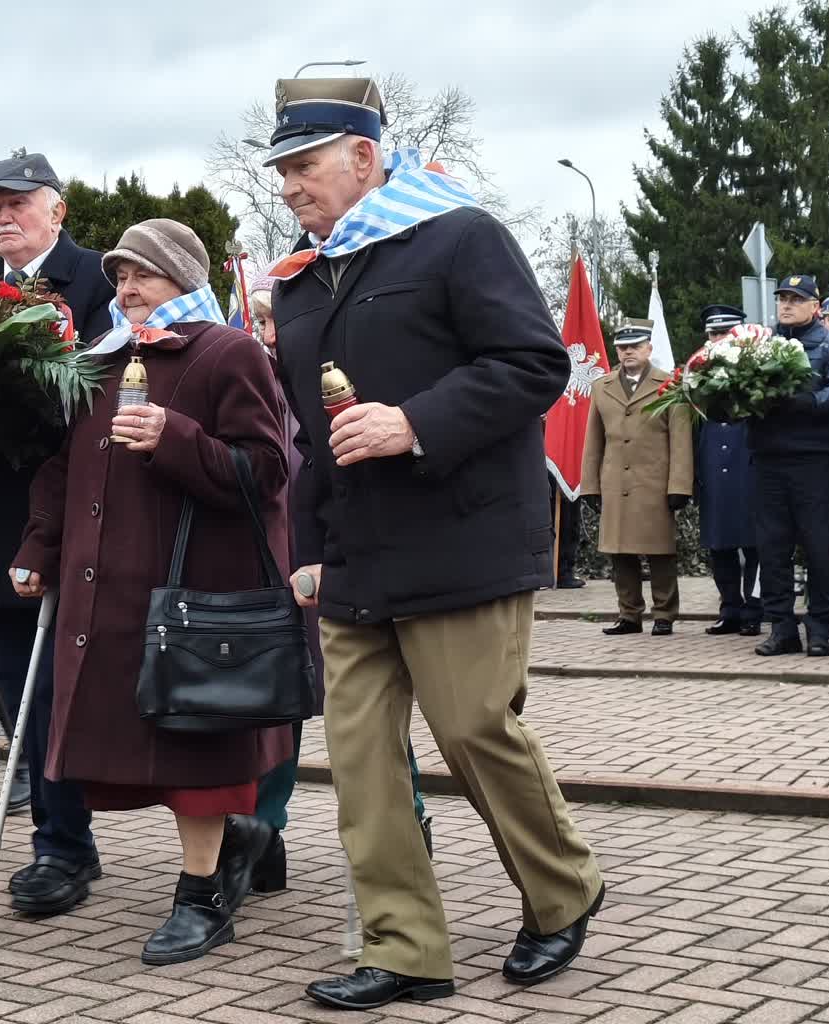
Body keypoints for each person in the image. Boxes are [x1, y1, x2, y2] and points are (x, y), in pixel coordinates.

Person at [264, 76, 603, 1011]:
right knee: (363, 760)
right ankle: (405, 947)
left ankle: (563, 890)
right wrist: (310, 544)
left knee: (471, 730)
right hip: (355, 557)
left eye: (305, 165)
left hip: (460, 540)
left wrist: (414, 422)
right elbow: (312, 433)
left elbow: (534, 364)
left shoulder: (460, 235)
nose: (289, 185)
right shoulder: (301, 277)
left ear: (363, 157)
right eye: (281, 169)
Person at [10, 218, 292, 965]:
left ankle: (201, 898)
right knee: (130, 749)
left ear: (184, 280)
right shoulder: (97, 362)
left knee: (195, 751)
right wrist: (40, 547)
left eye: (145, 275)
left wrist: (175, 438)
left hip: (193, 594)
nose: (128, 290)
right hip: (105, 595)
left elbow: (266, 469)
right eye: (121, 276)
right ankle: (244, 841)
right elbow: (61, 471)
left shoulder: (226, 351)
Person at [0, 150, 118, 916]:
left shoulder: (103, 281)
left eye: (17, 203)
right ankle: (61, 839)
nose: (2, 217)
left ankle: (63, 848)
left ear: (57, 210)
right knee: (13, 684)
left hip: (74, 515)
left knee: (59, 691)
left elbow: (109, 394)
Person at [249, 275, 431, 890]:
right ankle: (261, 834)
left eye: (275, 323)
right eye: (260, 324)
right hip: (269, 570)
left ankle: (411, 823)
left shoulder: (333, 381)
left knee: (368, 714)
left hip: (337, 568)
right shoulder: (249, 380)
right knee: (274, 709)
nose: (268, 336)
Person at [748, 275, 829, 658]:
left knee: (820, 548)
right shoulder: (758, 345)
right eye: (782, 299)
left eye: (796, 299)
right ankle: (781, 629)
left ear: (815, 306)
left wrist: (805, 402)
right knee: (772, 550)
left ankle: (821, 629)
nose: (787, 305)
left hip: (814, 461)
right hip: (769, 459)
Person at [580, 319, 694, 637]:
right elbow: (594, 441)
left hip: (655, 483)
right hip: (615, 481)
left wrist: (680, 485)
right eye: (622, 346)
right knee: (620, 552)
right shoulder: (601, 386)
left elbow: (681, 440)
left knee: (660, 552)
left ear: (649, 348)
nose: (628, 351)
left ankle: (664, 614)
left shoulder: (670, 384)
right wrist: (590, 485)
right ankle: (629, 614)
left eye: (635, 345)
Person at [695, 305, 761, 637]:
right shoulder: (697, 375)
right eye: (714, 334)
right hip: (713, 470)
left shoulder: (758, 368)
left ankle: (753, 608)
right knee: (719, 544)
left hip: (749, 467)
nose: (719, 339)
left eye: (725, 333)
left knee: (754, 545)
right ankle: (730, 607)